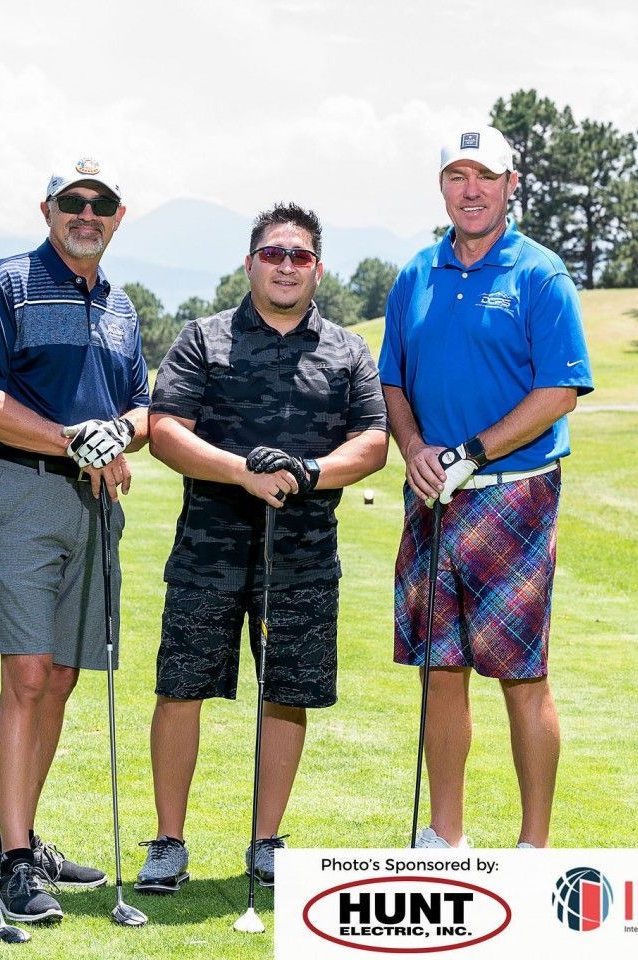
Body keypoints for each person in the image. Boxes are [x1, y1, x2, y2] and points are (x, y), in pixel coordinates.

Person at [134, 203, 388, 894]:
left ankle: (266, 839)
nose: (284, 265)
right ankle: (167, 841)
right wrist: (240, 471)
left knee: (286, 694)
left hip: (302, 558)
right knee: (179, 689)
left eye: (298, 256)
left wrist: (310, 474)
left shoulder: (345, 349)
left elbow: (371, 442)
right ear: (249, 262)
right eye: (272, 253)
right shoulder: (203, 338)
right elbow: (164, 429)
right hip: (207, 552)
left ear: (316, 268)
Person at [379, 125, 593, 851]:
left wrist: (472, 451)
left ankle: (533, 847)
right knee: (439, 670)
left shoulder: (538, 274)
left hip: (514, 495)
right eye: (456, 177)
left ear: (510, 185)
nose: (470, 191)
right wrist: (411, 447)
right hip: (432, 495)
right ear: (441, 188)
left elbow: (559, 389)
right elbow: (393, 381)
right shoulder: (415, 273)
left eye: (485, 177)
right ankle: (445, 835)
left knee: (519, 674)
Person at [0, 156, 150, 923]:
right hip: (19, 491)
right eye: (74, 201)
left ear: (117, 216)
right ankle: (12, 859)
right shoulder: (4, 284)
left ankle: (23, 842)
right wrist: (75, 440)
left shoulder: (121, 306)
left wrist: (118, 435)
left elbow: (142, 404)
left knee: (64, 675)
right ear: (47, 209)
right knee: (28, 674)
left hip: (94, 503)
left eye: (101, 203)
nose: (87, 213)